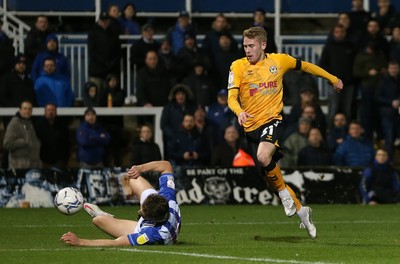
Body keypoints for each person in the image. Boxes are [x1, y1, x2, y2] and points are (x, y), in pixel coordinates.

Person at [227, 27, 343, 239]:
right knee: (271, 180)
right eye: (245, 46)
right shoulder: (238, 66)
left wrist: (332, 78)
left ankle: (285, 196)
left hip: (273, 120)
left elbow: (306, 66)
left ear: (263, 45)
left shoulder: (279, 61)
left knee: (264, 157)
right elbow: (232, 97)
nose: (247, 50)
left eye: (251, 46)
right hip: (250, 128)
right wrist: (239, 111)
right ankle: (302, 211)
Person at [61, 160, 181, 246]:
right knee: (134, 177)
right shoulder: (168, 199)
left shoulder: (152, 234)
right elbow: (166, 165)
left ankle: (107, 217)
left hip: (145, 229)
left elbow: (116, 242)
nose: (139, 211)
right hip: (161, 218)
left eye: (142, 213)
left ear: (151, 220)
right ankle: (109, 217)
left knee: (98, 220)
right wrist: (140, 168)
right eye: (142, 207)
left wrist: (81, 242)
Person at [2, 100, 42, 169]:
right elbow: (7, 144)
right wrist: (24, 141)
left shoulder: (29, 123)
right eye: (25, 108)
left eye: (30, 109)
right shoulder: (14, 124)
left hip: (32, 167)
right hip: (19, 168)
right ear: (20, 110)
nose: (27, 111)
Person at [375, 60, 400, 158]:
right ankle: (388, 161)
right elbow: (376, 97)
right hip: (387, 113)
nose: (393, 70)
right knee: (388, 138)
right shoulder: (383, 81)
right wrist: (391, 102)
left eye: (395, 68)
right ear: (388, 69)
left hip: (398, 113)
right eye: (391, 68)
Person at [34, 103, 70, 168]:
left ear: (56, 112)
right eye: (48, 110)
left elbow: (67, 144)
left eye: (53, 110)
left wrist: (64, 160)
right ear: (45, 112)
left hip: (59, 163)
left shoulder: (62, 126)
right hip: (42, 162)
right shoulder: (38, 126)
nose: (50, 112)